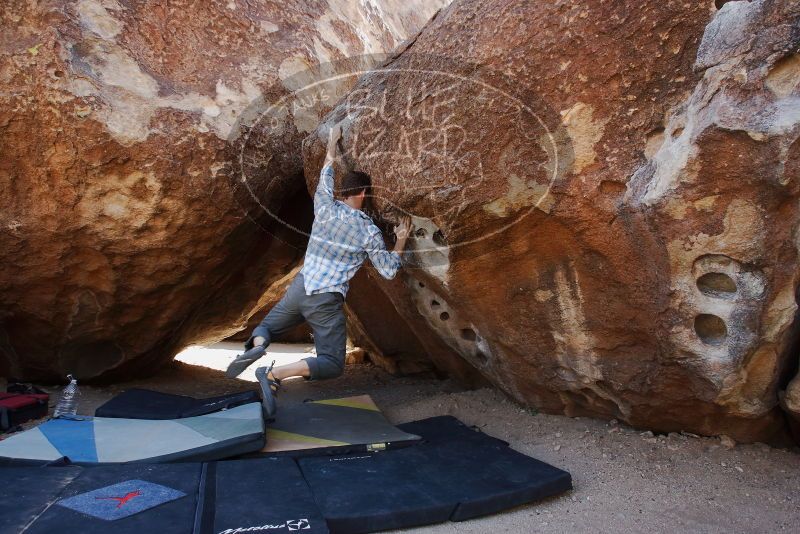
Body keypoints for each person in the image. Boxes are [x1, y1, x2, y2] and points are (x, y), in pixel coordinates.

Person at [225, 123, 414, 417]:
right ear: (363, 193)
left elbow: (326, 170)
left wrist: (332, 142)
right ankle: (272, 374)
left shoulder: (324, 205)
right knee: (331, 363)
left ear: (344, 191)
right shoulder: (368, 230)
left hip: (301, 287)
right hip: (325, 300)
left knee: (267, 327)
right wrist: (401, 239)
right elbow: (389, 271)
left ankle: (258, 345)